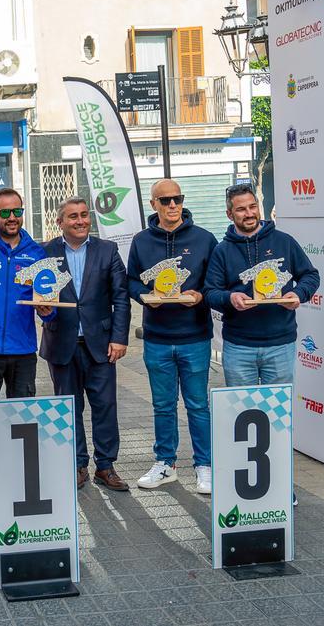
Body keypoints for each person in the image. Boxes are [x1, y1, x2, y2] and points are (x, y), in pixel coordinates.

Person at [127, 180, 218, 494]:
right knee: (163, 406)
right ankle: (165, 463)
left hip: (194, 336)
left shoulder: (205, 239)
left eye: (177, 199)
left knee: (197, 405)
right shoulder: (140, 242)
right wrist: (146, 295)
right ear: (153, 204)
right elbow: (130, 282)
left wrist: (199, 295)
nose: (172, 205)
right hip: (157, 338)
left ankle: (204, 466)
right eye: (164, 200)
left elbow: (216, 283)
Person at [40, 197, 131, 491]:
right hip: (61, 342)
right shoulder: (45, 252)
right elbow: (39, 294)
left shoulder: (107, 250)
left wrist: (119, 337)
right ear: (60, 222)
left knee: (104, 406)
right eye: (72, 217)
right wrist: (43, 309)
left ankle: (105, 466)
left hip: (101, 344)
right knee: (69, 407)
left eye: (83, 215)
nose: (80, 221)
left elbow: (121, 297)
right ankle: (77, 465)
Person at [0, 188, 53, 505]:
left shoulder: (36, 252)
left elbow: (48, 299)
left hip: (22, 351)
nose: (12, 217)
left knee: (22, 417)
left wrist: (49, 310)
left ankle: (20, 478)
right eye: (4, 212)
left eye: (17, 211)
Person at [204, 183, 320, 390]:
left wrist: (298, 293)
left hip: (280, 345)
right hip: (238, 346)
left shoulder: (284, 242)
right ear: (229, 214)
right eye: (241, 209)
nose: (249, 213)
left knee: (278, 414)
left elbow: (310, 276)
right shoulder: (222, 251)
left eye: (252, 206)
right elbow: (210, 292)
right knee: (242, 410)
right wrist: (230, 299)